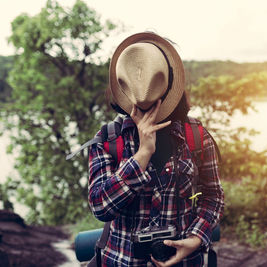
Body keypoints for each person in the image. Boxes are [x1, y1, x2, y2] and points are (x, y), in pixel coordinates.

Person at [88, 32, 224, 267]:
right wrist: (141, 156)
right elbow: (100, 206)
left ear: (168, 81)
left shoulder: (196, 137)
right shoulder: (108, 139)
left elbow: (212, 196)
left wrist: (195, 238)